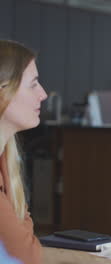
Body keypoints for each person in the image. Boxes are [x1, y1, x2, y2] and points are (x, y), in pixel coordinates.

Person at [0, 40, 48, 264]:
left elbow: (25, 232)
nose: (44, 94)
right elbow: (26, 254)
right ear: (3, 91)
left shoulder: (6, 159)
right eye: (33, 84)